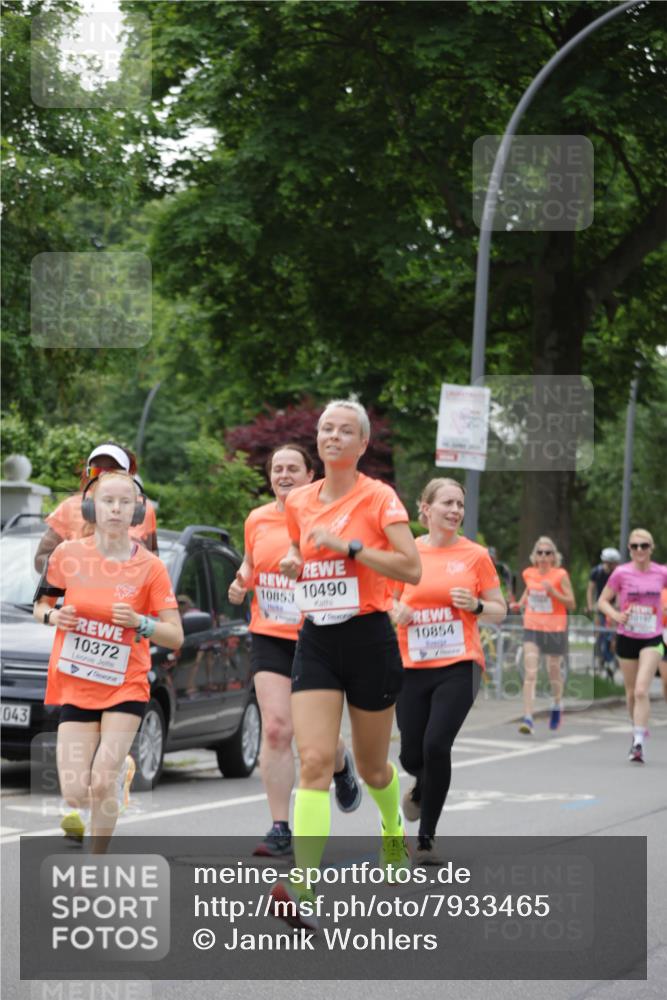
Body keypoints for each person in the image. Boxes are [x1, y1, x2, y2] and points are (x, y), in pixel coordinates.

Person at [269, 400, 421, 930]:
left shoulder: (379, 497)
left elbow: (411, 566)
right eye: (326, 429)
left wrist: (352, 546)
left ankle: (392, 826)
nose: (333, 436)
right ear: (317, 440)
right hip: (316, 638)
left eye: (345, 431)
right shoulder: (300, 501)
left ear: (362, 444)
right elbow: (298, 546)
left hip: (369, 638)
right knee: (312, 760)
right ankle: (303, 888)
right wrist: (294, 559)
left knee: (375, 765)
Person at [33, 471, 183, 851]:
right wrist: (54, 617)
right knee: (74, 794)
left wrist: (141, 622)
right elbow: (41, 605)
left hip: (125, 684)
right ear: (92, 507)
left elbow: (174, 635)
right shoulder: (67, 555)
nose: (115, 509)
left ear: (136, 511)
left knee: (102, 781)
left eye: (124, 502)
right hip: (78, 684)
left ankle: (94, 862)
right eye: (107, 501)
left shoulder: (151, 568)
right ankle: (120, 774)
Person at [228, 443, 362, 858]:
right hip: (269, 632)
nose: (283, 475)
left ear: (310, 475)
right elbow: (250, 568)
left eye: (292, 469)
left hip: (319, 633)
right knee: (275, 729)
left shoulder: (329, 516)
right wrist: (240, 583)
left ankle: (341, 764)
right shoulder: (257, 520)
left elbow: (348, 566)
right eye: (276, 469)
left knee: (313, 739)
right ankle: (280, 826)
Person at [392, 479, 505, 865]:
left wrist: (475, 605)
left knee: (437, 745)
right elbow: (383, 599)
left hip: (460, 663)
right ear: (424, 509)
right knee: (411, 753)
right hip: (410, 665)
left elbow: (500, 610)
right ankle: (421, 788)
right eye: (447, 503)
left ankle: (425, 839)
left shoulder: (475, 556)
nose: (455, 510)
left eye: (460, 504)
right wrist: (396, 612)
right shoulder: (405, 554)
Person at [597, 529, 667, 763]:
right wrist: (616, 615)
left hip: (652, 638)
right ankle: (638, 726)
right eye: (634, 546)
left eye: (644, 546)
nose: (639, 550)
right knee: (630, 694)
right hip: (627, 636)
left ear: (651, 548)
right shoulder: (621, 572)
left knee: (640, 690)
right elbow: (602, 601)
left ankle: (638, 743)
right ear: (629, 549)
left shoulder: (661, 572)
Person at [34, 442, 158, 574]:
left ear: (127, 475)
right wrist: (72, 564)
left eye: (112, 470)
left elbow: (154, 554)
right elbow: (40, 560)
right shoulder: (68, 508)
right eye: (95, 470)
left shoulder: (143, 509)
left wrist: (139, 556)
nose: (103, 475)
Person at [517, 536, 576, 734]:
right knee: (531, 673)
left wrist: (554, 593)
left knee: (553, 671)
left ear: (553, 556)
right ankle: (528, 718)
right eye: (540, 552)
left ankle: (557, 703)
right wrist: (520, 603)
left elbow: (571, 603)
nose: (543, 556)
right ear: (535, 555)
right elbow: (529, 591)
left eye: (547, 553)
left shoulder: (560, 575)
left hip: (555, 629)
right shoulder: (529, 573)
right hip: (532, 627)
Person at [587, 547, 621, 678]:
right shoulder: (596, 572)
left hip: (612, 606)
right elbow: (590, 590)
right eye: (608, 563)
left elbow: (619, 591)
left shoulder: (618, 573)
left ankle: (611, 659)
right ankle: (599, 657)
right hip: (600, 604)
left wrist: (616, 607)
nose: (610, 566)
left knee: (612, 633)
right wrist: (590, 606)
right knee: (599, 632)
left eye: (613, 563)